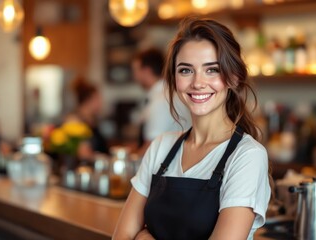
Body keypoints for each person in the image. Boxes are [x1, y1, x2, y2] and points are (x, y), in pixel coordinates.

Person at [113, 17, 271, 240]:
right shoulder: (162, 146)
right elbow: (122, 236)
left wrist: (143, 238)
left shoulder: (247, 156)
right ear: (174, 79)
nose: (197, 83)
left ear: (234, 77)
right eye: (186, 71)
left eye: (212, 70)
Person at [131, 48, 191, 156]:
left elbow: (151, 147)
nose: (134, 76)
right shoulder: (169, 93)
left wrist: (129, 159)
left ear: (146, 71)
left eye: (136, 71)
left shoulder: (160, 100)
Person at [68, 76, 108, 155]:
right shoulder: (74, 121)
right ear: (88, 100)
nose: (101, 102)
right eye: (98, 98)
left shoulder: (93, 120)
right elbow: (83, 153)